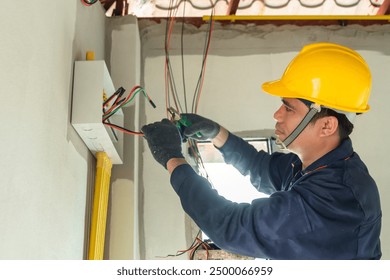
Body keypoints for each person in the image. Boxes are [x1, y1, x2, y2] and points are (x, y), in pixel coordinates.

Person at [141, 42, 382, 259]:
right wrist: (216, 133)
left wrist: (172, 159)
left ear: (327, 125)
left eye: (288, 109)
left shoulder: (336, 195)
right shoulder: (317, 166)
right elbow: (261, 168)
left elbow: (233, 227)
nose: (277, 115)